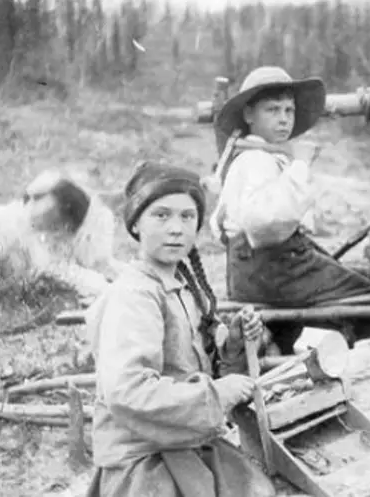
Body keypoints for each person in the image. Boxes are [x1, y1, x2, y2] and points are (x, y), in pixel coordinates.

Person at [211, 66, 370, 355]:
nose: (284, 119)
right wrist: (300, 165)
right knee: (365, 294)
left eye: (288, 110)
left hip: (264, 269)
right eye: (272, 110)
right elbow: (265, 226)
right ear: (249, 115)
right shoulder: (255, 161)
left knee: (356, 277)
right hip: (271, 270)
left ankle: (321, 336)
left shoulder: (262, 157)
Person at [85, 162, 276, 497]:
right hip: (143, 458)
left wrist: (232, 346)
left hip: (185, 440)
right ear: (135, 225)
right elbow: (127, 392)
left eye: (187, 217)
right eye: (161, 215)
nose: (176, 228)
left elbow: (192, 370)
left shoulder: (184, 286)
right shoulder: (134, 296)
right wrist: (219, 394)